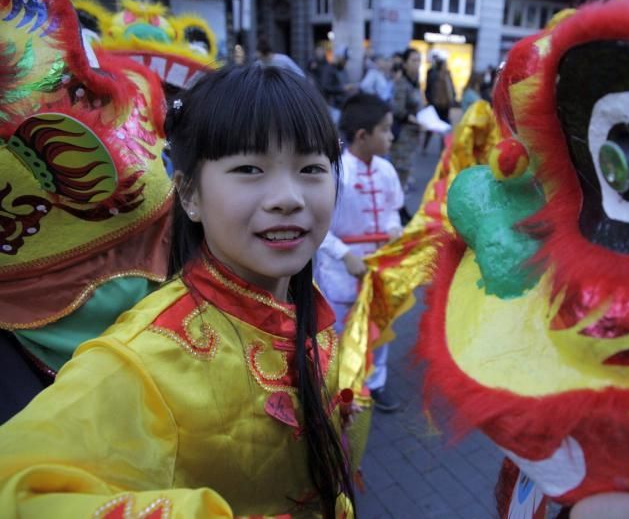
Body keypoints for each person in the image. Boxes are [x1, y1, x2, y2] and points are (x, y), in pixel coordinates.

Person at [0, 65, 355, 518]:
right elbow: (17, 486)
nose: (288, 197)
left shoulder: (303, 297)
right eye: (249, 168)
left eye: (311, 168)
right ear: (188, 195)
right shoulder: (144, 358)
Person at [316, 93, 404, 413]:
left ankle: (376, 382)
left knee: (380, 326)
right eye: (385, 129)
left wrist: (394, 228)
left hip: (379, 271)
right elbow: (316, 228)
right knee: (340, 329)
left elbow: (394, 209)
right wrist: (344, 254)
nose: (391, 136)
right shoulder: (334, 174)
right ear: (362, 135)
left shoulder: (386, 170)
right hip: (341, 275)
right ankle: (343, 384)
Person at [390, 47, 423, 190]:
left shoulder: (415, 82)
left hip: (412, 136)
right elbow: (398, 110)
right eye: (414, 60)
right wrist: (416, 120)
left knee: (405, 174)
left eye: (419, 60)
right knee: (399, 173)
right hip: (402, 136)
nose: (417, 64)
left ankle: (399, 207)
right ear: (405, 63)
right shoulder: (402, 83)